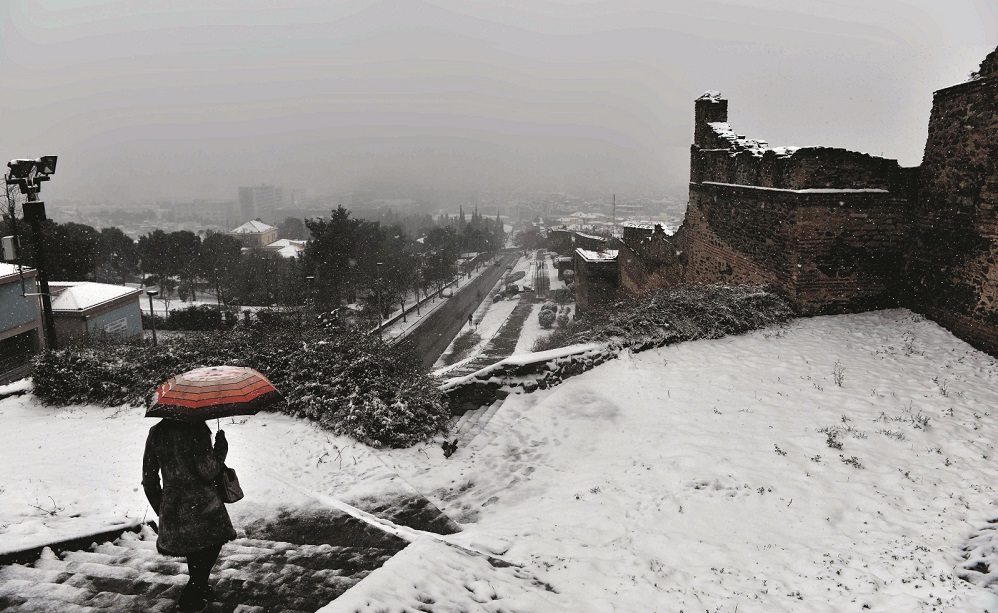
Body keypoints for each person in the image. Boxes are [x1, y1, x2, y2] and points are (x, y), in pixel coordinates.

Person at [143, 420, 236, 612]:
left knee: (194, 547)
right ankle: (194, 589)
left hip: (174, 504)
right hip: (203, 504)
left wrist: (162, 508)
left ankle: (199, 586)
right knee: (209, 545)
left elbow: (149, 477)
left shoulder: (157, 432)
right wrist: (221, 448)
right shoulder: (196, 428)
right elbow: (208, 470)